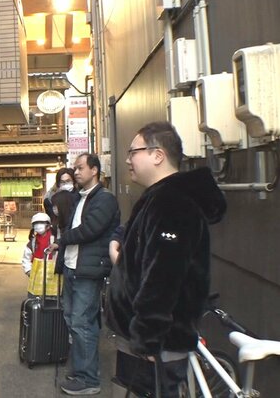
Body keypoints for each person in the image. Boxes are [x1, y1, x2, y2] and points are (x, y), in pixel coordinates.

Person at [105, 121, 226, 397]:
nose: (128, 160)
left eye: (133, 152)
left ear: (158, 155)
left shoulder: (172, 203)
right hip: (143, 340)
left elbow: (163, 276)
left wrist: (148, 337)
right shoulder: (160, 198)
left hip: (155, 346)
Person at [49, 153, 120, 396]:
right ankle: (81, 371)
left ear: (95, 170)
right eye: (75, 168)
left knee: (83, 323)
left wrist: (62, 240)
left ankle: (88, 379)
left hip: (88, 271)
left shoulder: (104, 199)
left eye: (80, 168)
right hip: (74, 267)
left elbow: (90, 230)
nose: (76, 172)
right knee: (73, 320)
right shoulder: (81, 197)